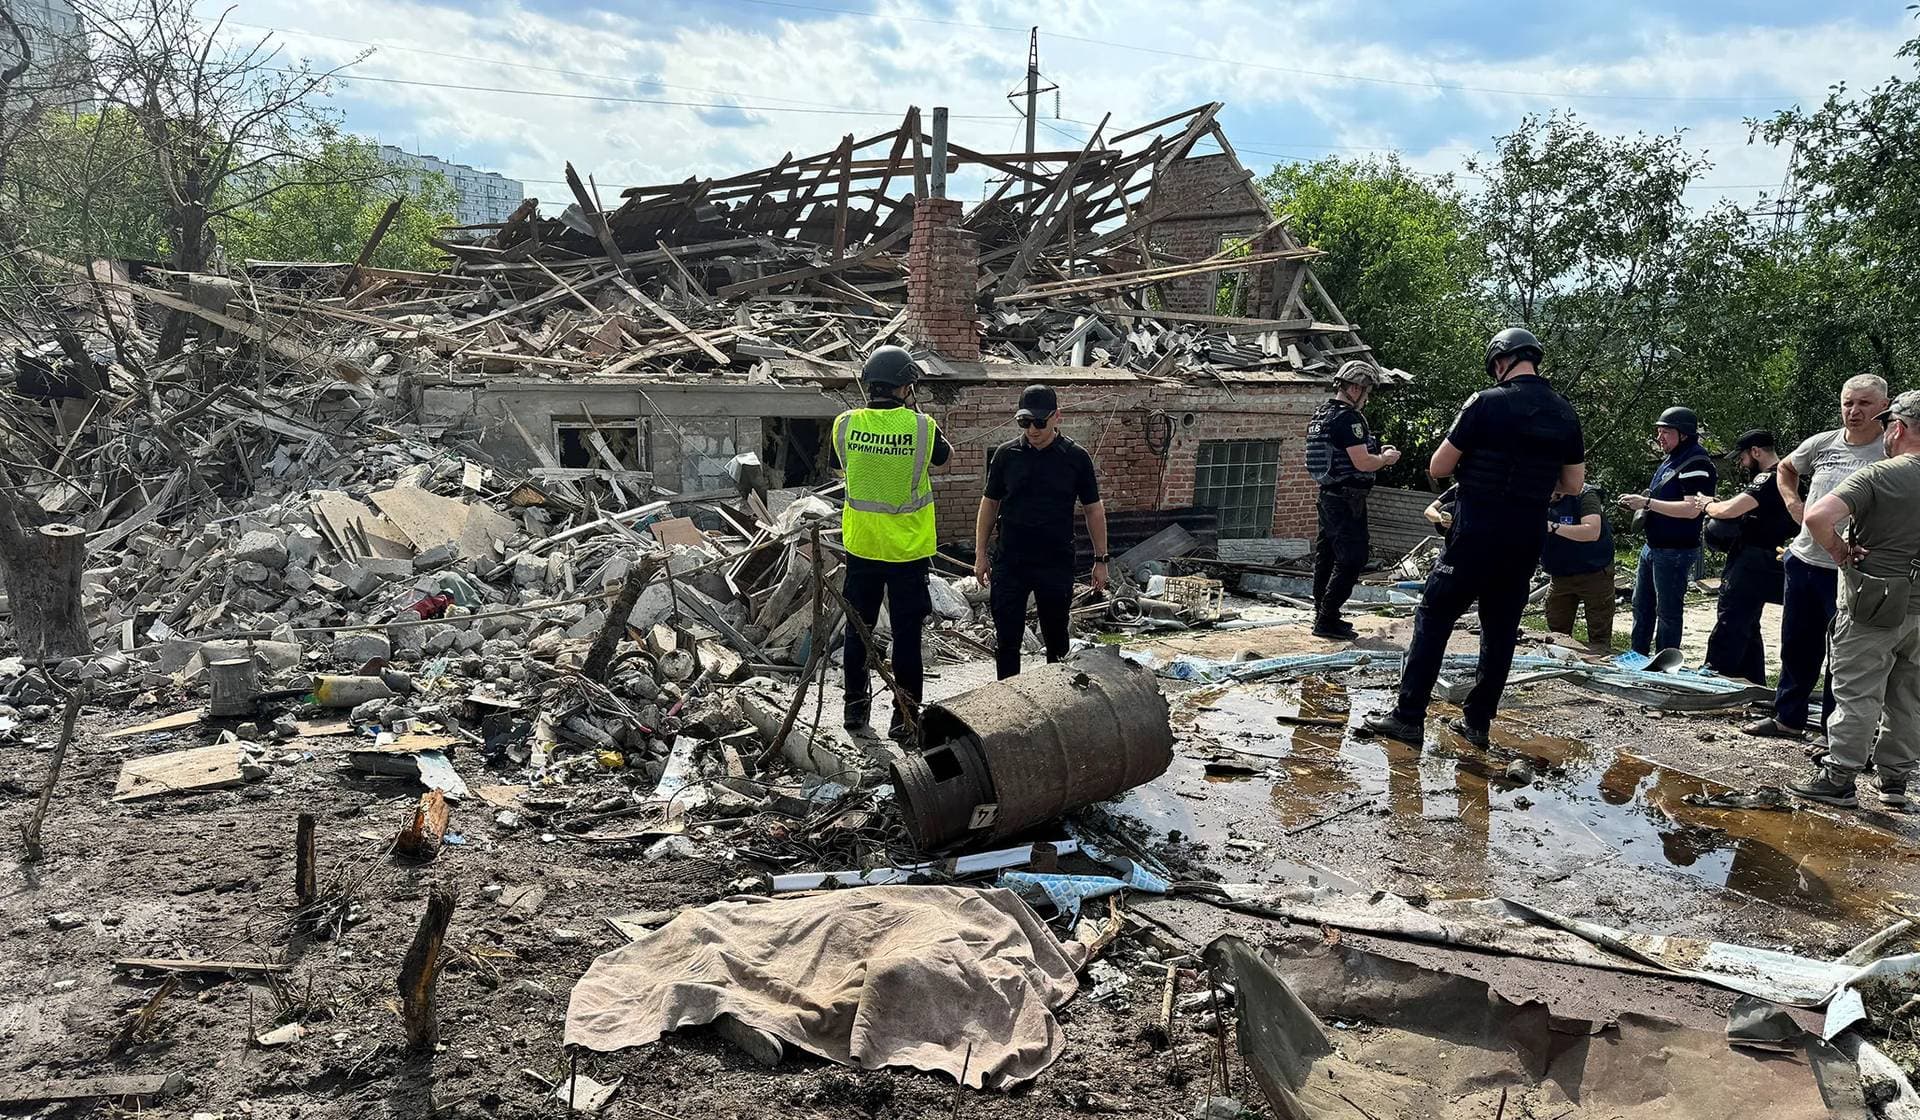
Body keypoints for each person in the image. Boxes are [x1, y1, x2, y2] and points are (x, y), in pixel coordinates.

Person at [1362, 327, 1584, 749]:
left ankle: (1408, 717)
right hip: (1525, 537)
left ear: (1500, 362)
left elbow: (1440, 466)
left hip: (1476, 530)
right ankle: (1477, 724)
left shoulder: (1485, 402)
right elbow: (1573, 484)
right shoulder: (1565, 413)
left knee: (1434, 616)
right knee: (1500, 631)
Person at [1788, 390, 1920, 809]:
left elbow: (1817, 517)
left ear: (1897, 428)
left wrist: (1842, 553)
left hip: (1873, 602)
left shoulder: (1879, 475)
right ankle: (1895, 782)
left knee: (1858, 691)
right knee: (1909, 695)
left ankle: (1840, 777)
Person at [1745, 375, 1891, 740]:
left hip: (1851, 569)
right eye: (1848, 403)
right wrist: (1794, 504)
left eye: (1864, 404)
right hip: (1805, 559)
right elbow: (1785, 469)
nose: (1854, 412)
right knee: (1797, 644)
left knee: (1843, 656)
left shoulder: (1891, 451)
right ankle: (1788, 718)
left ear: (1884, 407)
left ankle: (1832, 734)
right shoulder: (1824, 443)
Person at [832, 346, 951, 741]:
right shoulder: (922, 428)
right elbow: (942, 458)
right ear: (905, 387)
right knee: (906, 637)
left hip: (862, 548)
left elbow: (846, 464)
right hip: (907, 552)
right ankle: (905, 719)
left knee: (857, 632)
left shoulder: (845, 425)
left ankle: (854, 710)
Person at [974, 384, 1108, 680]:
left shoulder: (1076, 458)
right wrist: (980, 554)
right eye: (1024, 422)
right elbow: (989, 503)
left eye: (1039, 422)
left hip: (1054, 562)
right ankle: (1010, 702)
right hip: (1010, 561)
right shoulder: (1006, 456)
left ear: (1056, 417)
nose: (1032, 430)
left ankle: (1057, 701)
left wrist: (1101, 559)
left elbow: (1093, 510)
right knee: (1007, 639)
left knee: (1056, 640)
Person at [1305, 360, 1402, 640]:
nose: (1367, 397)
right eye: (1367, 391)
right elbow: (1362, 462)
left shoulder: (1321, 414)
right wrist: (1385, 459)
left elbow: (1344, 453)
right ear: (1355, 388)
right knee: (1352, 558)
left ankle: (1324, 615)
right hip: (1348, 499)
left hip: (1328, 496)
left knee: (1327, 557)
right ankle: (1326, 618)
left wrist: (1375, 453)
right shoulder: (1348, 418)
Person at [1701, 430, 1797, 685]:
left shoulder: (1768, 478)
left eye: (1743, 457)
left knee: (1731, 619)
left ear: (1755, 452)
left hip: (1752, 557)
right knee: (1748, 622)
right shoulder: (1791, 475)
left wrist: (1707, 505)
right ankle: (1752, 681)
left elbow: (1729, 509)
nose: (1742, 463)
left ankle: (1716, 677)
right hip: (1769, 554)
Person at [1619, 407, 1717, 656]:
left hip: (1675, 550)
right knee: (1641, 606)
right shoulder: (1672, 458)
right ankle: (1637, 656)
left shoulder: (1697, 463)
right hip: (1653, 546)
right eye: (1658, 431)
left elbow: (1691, 509)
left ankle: (1664, 663)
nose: (1659, 437)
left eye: (1665, 432)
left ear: (1683, 434)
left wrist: (1647, 504)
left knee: (1667, 613)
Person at [1541, 484, 1615, 648]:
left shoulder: (1585, 495)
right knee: (1556, 631)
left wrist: (1552, 527)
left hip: (1594, 572)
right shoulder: (1535, 495)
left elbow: (1591, 531)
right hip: (1560, 575)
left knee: (1599, 634)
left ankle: (1598, 668)